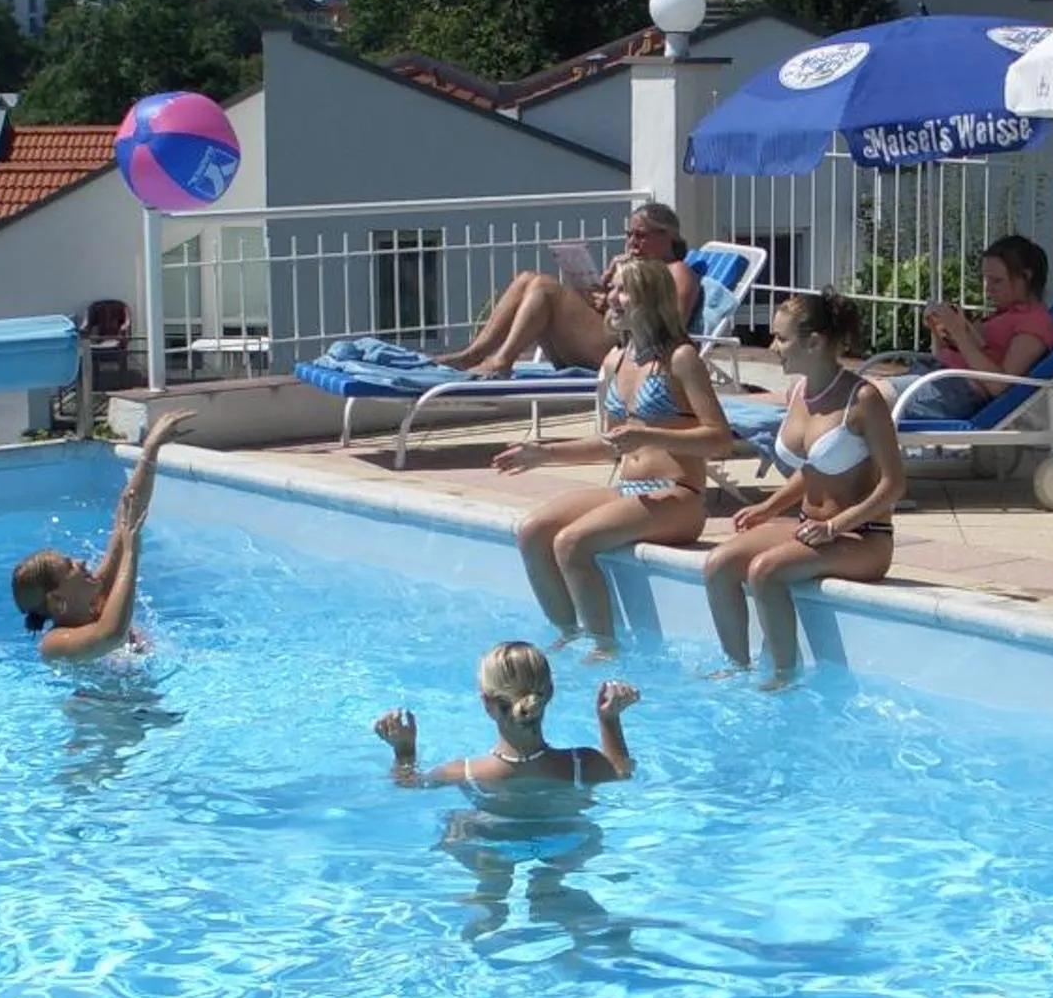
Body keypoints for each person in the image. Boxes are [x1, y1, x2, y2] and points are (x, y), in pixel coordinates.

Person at [492, 256, 732, 652]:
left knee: (572, 543)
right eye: (612, 290)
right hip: (629, 490)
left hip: (679, 495)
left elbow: (720, 438)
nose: (612, 299)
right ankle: (569, 632)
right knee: (534, 531)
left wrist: (650, 434)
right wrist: (543, 454)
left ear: (650, 298)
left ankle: (605, 646)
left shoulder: (680, 358)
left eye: (624, 290)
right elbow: (610, 444)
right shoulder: (614, 360)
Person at [704, 290, 910, 685]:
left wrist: (834, 527)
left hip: (862, 538)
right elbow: (813, 470)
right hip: (808, 527)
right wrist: (769, 507)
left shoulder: (863, 399)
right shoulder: (799, 393)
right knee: (718, 565)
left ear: (813, 342)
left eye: (781, 338)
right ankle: (736, 668)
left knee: (766, 571)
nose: (772, 346)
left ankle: (784, 677)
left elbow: (893, 484)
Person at [435, 202, 703, 375]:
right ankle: (473, 354)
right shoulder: (633, 265)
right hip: (605, 338)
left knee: (544, 287)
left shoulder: (676, 271)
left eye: (641, 235)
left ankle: (502, 361)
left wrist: (617, 304)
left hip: (627, 350)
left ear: (668, 236)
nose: (632, 242)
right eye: (629, 234)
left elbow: (672, 325)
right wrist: (605, 291)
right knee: (527, 278)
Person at [9, 409, 193, 659]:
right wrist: (130, 553)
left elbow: (126, 517)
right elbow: (110, 636)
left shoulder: (97, 598)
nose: (82, 562)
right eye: (69, 566)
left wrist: (150, 451)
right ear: (56, 600)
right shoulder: (55, 644)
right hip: (93, 701)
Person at [372, 642, 640, 807]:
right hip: (565, 842)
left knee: (460, 828)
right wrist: (610, 720)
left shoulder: (463, 773)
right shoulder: (583, 764)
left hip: (492, 842)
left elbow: (408, 785)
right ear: (549, 694)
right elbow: (621, 772)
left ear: (486, 703)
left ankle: (491, 889)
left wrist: (404, 750)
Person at [897, 234, 1053, 419]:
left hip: (954, 391)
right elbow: (955, 355)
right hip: (935, 377)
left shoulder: (1035, 323)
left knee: (867, 398)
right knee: (865, 394)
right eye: (986, 279)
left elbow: (999, 385)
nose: (988, 289)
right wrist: (940, 328)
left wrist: (959, 334)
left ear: (1026, 277)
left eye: (997, 281)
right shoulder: (1005, 314)